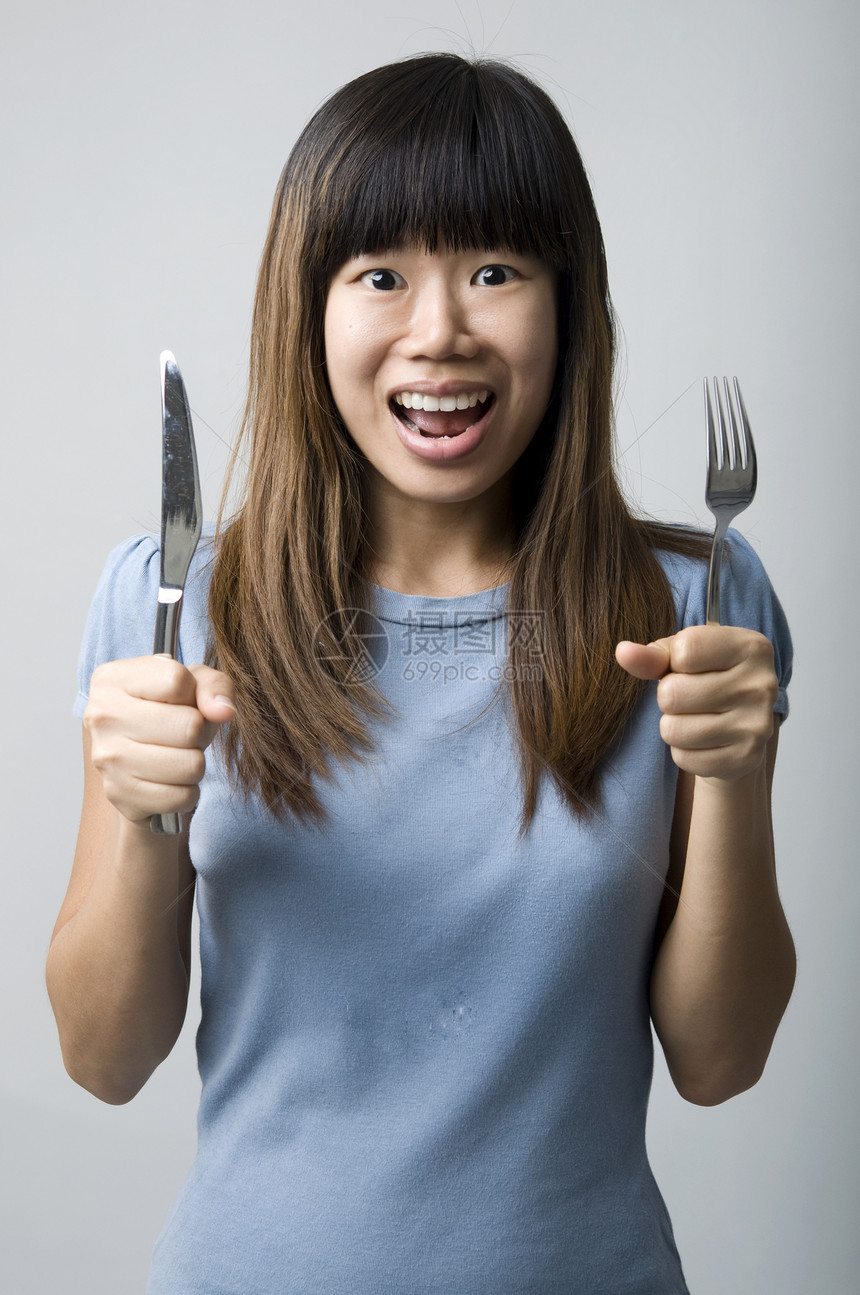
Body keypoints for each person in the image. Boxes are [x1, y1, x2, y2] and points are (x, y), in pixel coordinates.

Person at [47, 53, 795, 1295]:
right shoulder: (175, 601)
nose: (438, 329)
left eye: (493, 270)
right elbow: (103, 1055)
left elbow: (718, 1060)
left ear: (567, 305)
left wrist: (733, 767)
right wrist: (140, 814)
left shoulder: (692, 606)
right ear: (311, 312)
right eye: (379, 274)